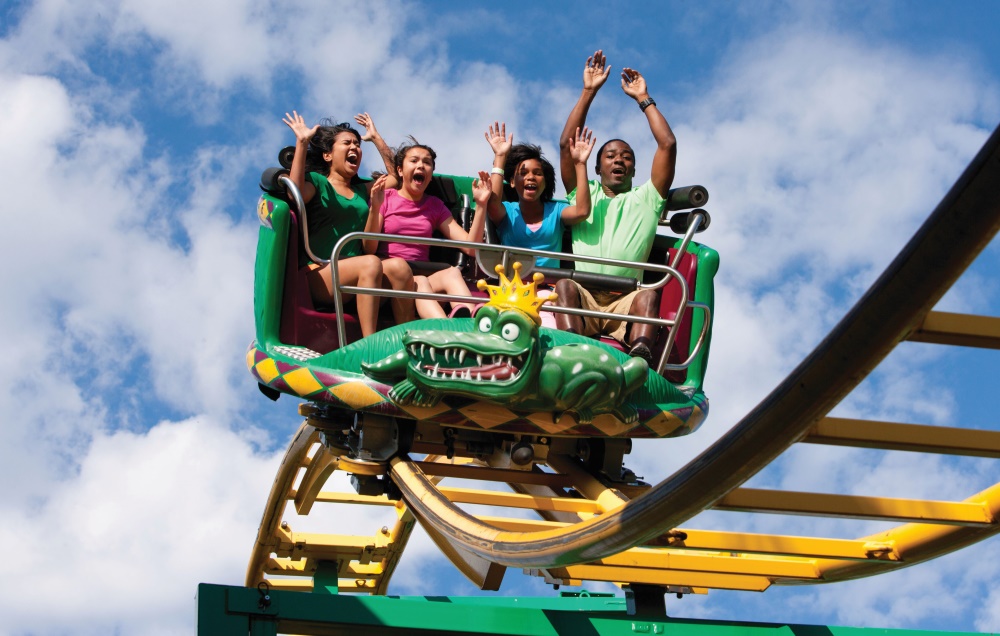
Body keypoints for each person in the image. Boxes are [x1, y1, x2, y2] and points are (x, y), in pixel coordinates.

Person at [552, 50, 678, 363]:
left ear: (634, 170)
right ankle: (572, 353)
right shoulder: (585, 192)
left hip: (625, 300)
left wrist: (644, 99)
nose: (618, 159)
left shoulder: (646, 199)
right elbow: (566, 145)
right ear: (596, 168)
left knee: (648, 295)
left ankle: (640, 359)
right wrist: (588, 92)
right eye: (609, 156)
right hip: (586, 298)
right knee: (565, 285)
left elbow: (668, 145)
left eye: (625, 157)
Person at [282, 111, 417, 335]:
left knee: (400, 268)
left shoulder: (360, 190)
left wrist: (375, 139)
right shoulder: (318, 182)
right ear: (328, 156)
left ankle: (407, 340)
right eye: (347, 143)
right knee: (371, 263)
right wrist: (302, 144)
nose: (355, 147)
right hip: (319, 271)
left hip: (360, 274)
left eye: (357, 144)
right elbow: (294, 193)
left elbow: (396, 176)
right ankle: (369, 344)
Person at [367, 140, 490, 319]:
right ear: (400, 171)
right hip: (389, 278)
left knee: (452, 273)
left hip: (419, 275)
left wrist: (480, 205)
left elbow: (471, 248)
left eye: (427, 163)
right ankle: (444, 330)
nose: (421, 166)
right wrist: (375, 208)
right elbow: (368, 248)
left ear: (431, 175)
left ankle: (470, 323)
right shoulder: (384, 198)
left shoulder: (434, 205)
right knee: (420, 281)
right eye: (414, 161)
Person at [483, 123, 596, 268]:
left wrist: (580, 164)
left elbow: (582, 211)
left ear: (545, 182)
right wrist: (500, 156)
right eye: (523, 173)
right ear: (512, 182)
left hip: (550, 286)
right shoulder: (508, 211)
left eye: (537, 173)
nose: (530, 177)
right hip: (512, 285)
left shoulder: (556, 210)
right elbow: (492, 204)